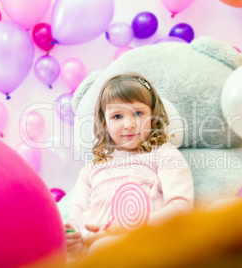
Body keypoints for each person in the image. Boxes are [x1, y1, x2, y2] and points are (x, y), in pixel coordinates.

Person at [65, 72, 194, 258]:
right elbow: (76, 223)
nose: (129, 124)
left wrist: (121, 229)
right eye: (117, 116)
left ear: (153, 116)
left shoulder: (163, 154)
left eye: (139, 113)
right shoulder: (91, 171)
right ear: (104, 123)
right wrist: (71, 240)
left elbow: (180, 208)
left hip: (143, 247)